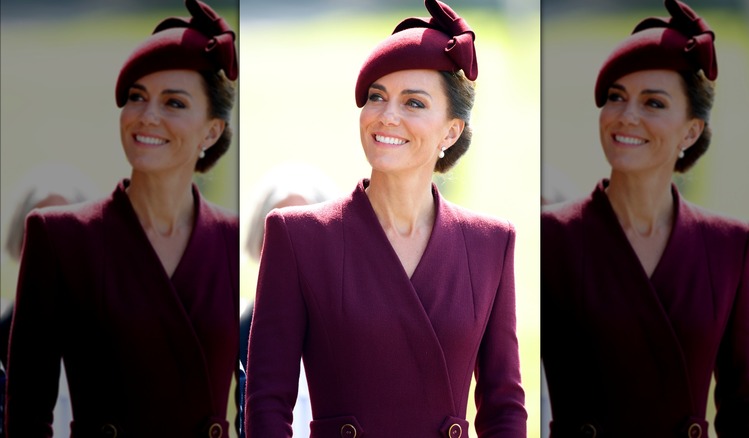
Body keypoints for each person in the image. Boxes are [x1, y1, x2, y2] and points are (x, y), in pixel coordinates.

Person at [244, 0, 527, 436]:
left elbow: (504, 408)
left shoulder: (492, 243)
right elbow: (266, 404)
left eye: (413, 102)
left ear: (451, 131)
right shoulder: (297, 236)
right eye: (377, 96)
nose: (387, 116)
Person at [4, 0, 240, 436]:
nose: (147, 116)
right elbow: (26, 413)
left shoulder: (233, 239)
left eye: (173, 102)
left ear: (212, 131)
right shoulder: (58, 237)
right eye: (137, 97)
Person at [541, 1, 749, 436]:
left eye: (653, 103)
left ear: (691, 131)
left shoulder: (729, 244)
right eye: (616, 97)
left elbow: (742, 404)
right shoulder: (553, 237)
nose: (627, 116)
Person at [238, 163, 340, 437]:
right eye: (277, 240)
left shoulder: (356, 336)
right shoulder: (231, 336)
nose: (290, 256)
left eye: (302, 241)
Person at [1, 163, 100, 438]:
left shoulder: (114, 336)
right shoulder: (2, 333)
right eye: (36, 238)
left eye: (63, 241)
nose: (49, 255)